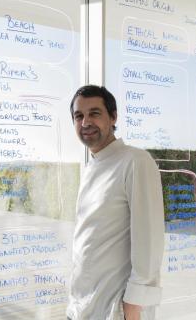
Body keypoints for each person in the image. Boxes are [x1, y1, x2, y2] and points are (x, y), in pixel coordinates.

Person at [66, 85, 165, 320]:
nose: (85, 122)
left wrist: (134, 304)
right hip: (81, 306)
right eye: (79, 116)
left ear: (113, 117)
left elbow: (149, 238)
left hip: (115, 309)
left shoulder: (135, 161)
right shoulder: (91, 166)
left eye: (94, 113)